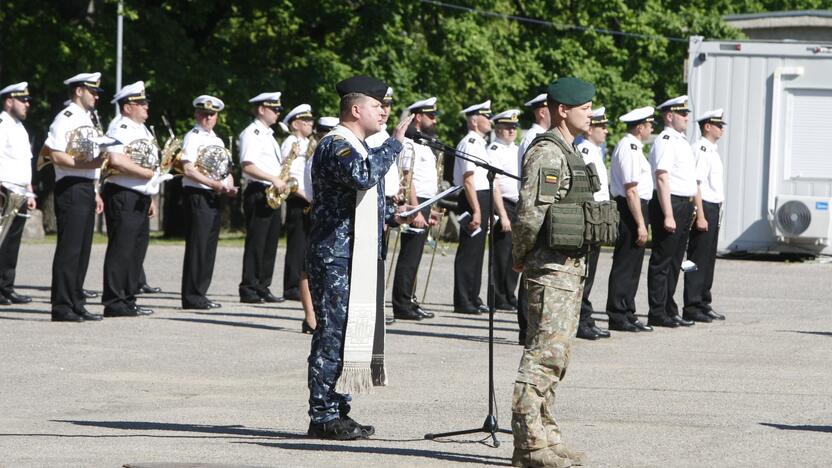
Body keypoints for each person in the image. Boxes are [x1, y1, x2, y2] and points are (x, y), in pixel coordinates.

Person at [305, 75, 413, 440]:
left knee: (351, 333)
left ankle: (339, 411)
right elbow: (363, 175)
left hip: (355, 255)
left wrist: (390, 214)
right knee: (332, 336)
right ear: (355, 109)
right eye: (376, 105)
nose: (384, 111)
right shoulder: (336, 144)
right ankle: (322, 416)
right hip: (335, 257)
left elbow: (362, 198)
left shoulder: (358, 144)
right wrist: (394, 145)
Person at [511, 77, 603, 468]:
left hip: (568, 268)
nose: (592, 114)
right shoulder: (548, 153)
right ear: (562, 109)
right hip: (549, 269)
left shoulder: (570, 150)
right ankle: (529, 446)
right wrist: (520, 256)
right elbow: (531, 214)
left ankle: (547, 436)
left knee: (557, 357)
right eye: (585, 107)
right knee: (541, 358)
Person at [44, 72, 106, 322]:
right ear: (79, 91)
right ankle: (61, 305)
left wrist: (95, 189)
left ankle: (76, 300)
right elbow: (55, 154)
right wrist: (88, 165)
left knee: (82, 249)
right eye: (92, 92)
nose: (96, 97)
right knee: (69, 249)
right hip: (70, 185)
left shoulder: (87, 119)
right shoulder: (66, 117)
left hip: (84, 186)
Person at [100, 80, 162, 317]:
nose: (146, 106)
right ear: (127, 107)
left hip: (140, 195)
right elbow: (115, 159)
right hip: (123, 194)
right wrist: (146, 174)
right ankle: (114, 300)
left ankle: (128, 297)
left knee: (136, 249)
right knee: (121, 249)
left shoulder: (142, 130)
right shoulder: (121, 128)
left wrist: (151, 194)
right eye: (141, 103)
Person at [180, 95, 238, 310]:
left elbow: (225, 170)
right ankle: (192, 295)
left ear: (217, 117)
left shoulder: (217, 140)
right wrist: (214, 185)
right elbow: (188, 169)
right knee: (198, 246)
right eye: (204, 114)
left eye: (211, 114)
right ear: (197, 115)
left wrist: (228, 184)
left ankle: (200, 293)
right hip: (198, 194)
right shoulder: (193, 137)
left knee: (208, 247)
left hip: (213, 195)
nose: (207, 117)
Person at [647, 95, 698, 328]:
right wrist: (668, 213)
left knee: (676, 260)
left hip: (683, 204)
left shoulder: (681, 140)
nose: (687, 117)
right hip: (671, 203)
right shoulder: (666, 139)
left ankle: (669, 307)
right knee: (663, 260)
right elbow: (662, 177)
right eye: (682, 113)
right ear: (669, 116)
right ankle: (657, 311)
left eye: (687, 113)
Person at [605, 106, 656, 333]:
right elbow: (631, 189)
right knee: (625, 264)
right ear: (640, 127)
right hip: (629, 209)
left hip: (636, 208)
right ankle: (617, 313)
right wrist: (639, 224)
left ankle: (628, 311)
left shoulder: (635, 147)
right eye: (649, 124)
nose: (651, 128)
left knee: (634, 264)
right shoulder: (629, 147)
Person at [390, 96, 441, 321]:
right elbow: (408, 178)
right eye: (431, 116)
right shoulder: (409, 143)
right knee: (409, 255)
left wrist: (432, 209)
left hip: (425, 202)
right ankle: (401, 304)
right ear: (418, 117)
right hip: (416, 202)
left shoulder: (424, 143)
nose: (434, 120)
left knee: (416, 255)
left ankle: (410, 299)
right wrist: (417, 210)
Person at [237, 92, 287, 304]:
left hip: (272, 192)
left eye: (278, 109)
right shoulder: (252, 133)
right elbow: (247, 165)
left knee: (270, 243)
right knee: (257, 242)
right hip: (259, 190)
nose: (277, 113)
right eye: (273, 109)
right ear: (260, 109)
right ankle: (249, 288)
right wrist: (273, 178)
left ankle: (262, 286)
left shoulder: (269, 135)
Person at [366, 87, 406, 326]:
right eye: (380, 106)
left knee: (380, 262)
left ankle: (376, 308)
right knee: (371, 265)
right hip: (375, 208)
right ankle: (371, 310)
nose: (385, 111)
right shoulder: (371, 136)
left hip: (389, 203)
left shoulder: (383, 135)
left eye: (387, 106)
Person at [683, 109, 727, 322]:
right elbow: (696, 185)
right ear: (707, 126)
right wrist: (700, 215)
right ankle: (691, 305)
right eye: (718, 125)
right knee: (697, 258)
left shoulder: (712, 150)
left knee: (708, 259)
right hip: (704, 206)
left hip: (713, 207)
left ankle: (703, 301)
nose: (722, 129)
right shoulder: (700, 149)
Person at [574, 107, 611, 340]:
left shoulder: (595, 150)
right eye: (602, 126)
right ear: (590, 129)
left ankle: (585, 317)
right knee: (584, 270)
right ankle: (580, 320)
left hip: (598, 213)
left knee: (591, 270)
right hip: (589, 214)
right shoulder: (585, 149)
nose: (606, 131)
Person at [452, 99, 492, 315]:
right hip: (471, 198)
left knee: (477, 252)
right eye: (487, 117)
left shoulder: (479, 143)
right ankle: (463, 300)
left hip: (481, 197)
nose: (491, 121)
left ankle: (473, 296)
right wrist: (476, 209)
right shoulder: (469, 143)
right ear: (475, 121)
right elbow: (469, 179)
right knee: (468, 252)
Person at [516, 92, 550, 342]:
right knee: (530, 272)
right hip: (533, 206)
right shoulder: (534, 137)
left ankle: (532, 326)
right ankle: (527, 326)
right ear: (541, 111)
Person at [0, 82, 36, 306]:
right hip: (5, 190)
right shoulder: (2, 125)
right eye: (23, 100)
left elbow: (24, 163)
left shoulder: (19, 127)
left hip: (20, 191)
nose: (27, 104)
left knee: (12, 243)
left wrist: (30, 191)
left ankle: (6, 287)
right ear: (9, 101)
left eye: (28, 100)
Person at [280, 103, 315, 302]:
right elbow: (288, 171)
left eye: (310, 120)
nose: (310, 123)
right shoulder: (291, 142)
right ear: (295, 124)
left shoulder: (304, 142)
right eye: (306, 121)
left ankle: (299, 285)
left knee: (303, 244)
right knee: (296, 244)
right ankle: (292, 286)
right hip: (297, 197)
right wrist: (305, 195)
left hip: (305, 196)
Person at [488, 109, 521, 311]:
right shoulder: (494, 150)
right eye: (508, 127)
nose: (511, 131)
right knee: (501, 255)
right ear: (498, 129)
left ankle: (509, 294)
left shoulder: (516, 149)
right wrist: (502, 214)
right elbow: (495, 185)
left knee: (516, 254)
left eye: (514, 128)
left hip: (518, 204)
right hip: (505, 204)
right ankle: (498, 296)